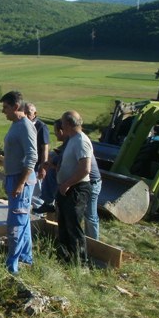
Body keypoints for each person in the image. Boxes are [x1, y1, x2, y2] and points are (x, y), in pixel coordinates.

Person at [37, 119, 103, 240]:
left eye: (57, 131)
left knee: (89, 215)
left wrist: (66, 184)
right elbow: (64, 161)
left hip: (90, 182)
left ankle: (94, 244)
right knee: (73, 217)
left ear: (63, 130)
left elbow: (84, 169)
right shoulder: (69, 142)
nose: (55, 134)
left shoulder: (79, 141)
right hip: (76, 182)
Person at [0, 91, 38, 275]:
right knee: (23, 222)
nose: (3, 111)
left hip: (21, 179)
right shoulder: (15, 124)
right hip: (13, 177)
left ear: (16, 107)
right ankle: (25, 257)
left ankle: (12, 266)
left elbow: (32, 157)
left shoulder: (25, 126)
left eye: (5, 107)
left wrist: (20, 183)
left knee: (16, 223)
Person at [56, 110, 93, 265]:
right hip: (67, 187)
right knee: (64, 224)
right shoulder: (72, 139)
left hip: (77, 189)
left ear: (70, 124)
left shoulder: (82, 141)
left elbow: (85, 169)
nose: (62, 126)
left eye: (63, 123)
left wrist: (67, 184)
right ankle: (65, 258)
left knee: (74, 226)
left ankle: (80, 263)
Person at [24, 103, 50, 208]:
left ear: (35, 113)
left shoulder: (41, 127)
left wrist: (43, 167)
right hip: (25, 164)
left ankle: (37, 216)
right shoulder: (23, 125)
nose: (26, 115)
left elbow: (45, 148)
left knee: (36, 193)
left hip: (36, 166)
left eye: (28, 113)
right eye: (24, 112)